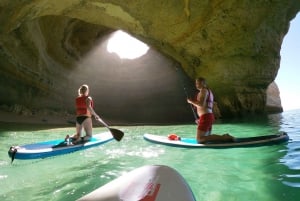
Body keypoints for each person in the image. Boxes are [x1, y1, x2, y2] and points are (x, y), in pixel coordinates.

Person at [187, 77, 234, 143]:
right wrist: (200, 120)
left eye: (198, 83)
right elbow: (204, 106)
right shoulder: (206, 91)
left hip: (206, 117)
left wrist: (191, 101)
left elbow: (201, 104)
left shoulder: (204, 91)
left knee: (199, 139)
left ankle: (224, 137)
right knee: (205, 139)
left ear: (203, 83)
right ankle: (223, 137)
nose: (196, 85)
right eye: (196, 83)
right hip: (206, 117)